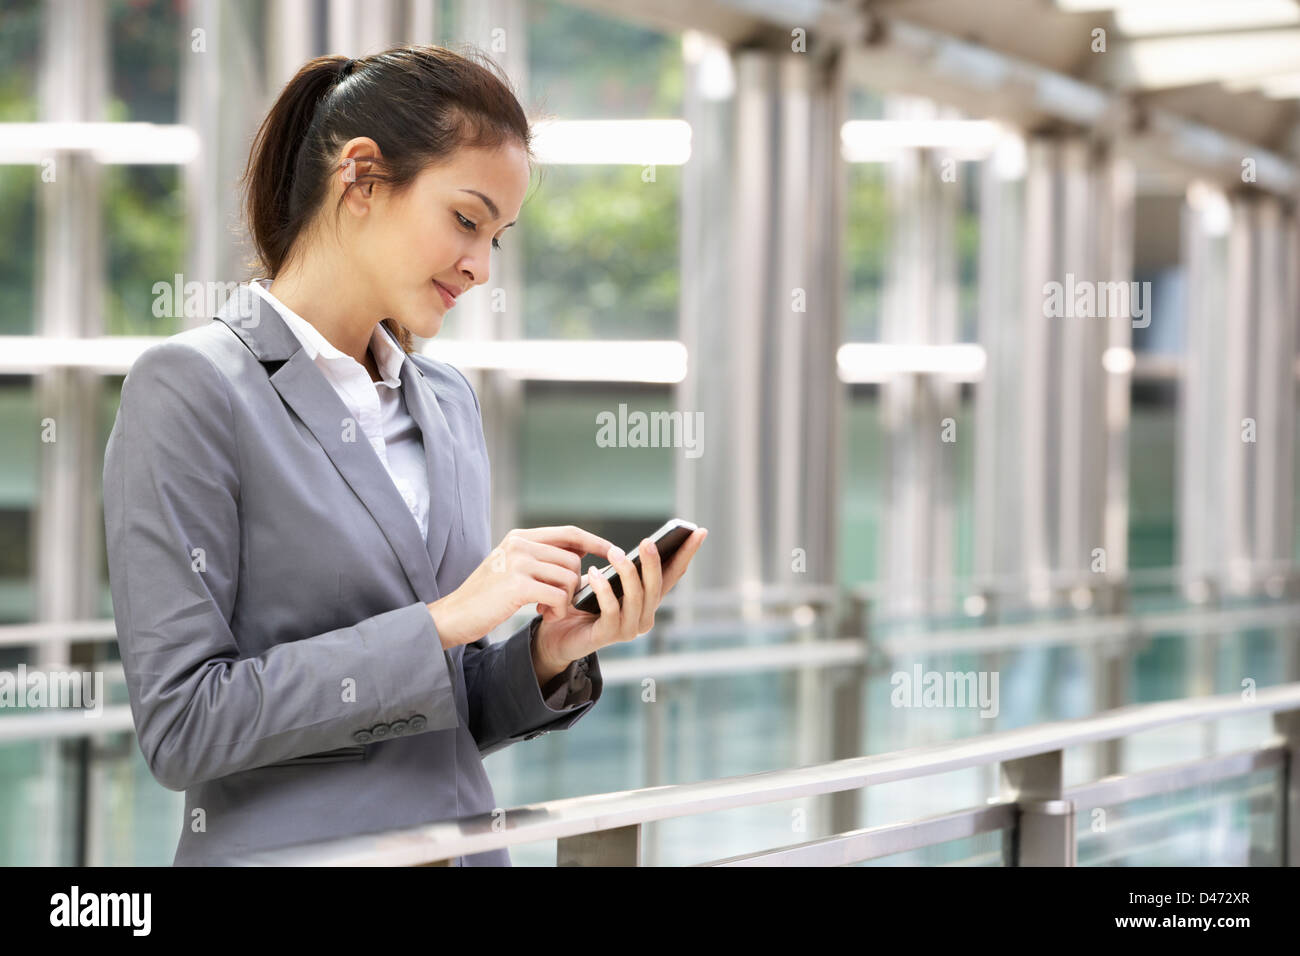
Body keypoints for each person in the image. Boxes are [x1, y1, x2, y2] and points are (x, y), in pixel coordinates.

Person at [102, 44, 707, 866]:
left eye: (499, 236)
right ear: (361, 177)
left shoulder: (448, 404)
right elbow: (185, 726)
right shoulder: (191, 389)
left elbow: (434, 713)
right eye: (466, 220)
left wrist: (548, 652)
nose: (482, 266)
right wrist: (443, 622)